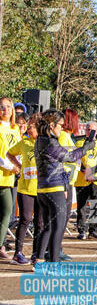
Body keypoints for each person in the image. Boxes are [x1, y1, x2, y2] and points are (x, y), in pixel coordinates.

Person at [34, 109, 95, 263]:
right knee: (58, 227)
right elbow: (70, 157)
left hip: (42, 189)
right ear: (51, 125)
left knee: (47, 227)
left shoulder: (40, 140)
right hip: (54, 188)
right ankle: (53, 264)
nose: (61, 128)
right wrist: (85, 149)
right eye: (60, 125)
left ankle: (39, 260)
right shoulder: (50, 142)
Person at [6, 113, 41, 265]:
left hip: (42, 189)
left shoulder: (45, 143)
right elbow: (9, 153)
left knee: (40, 223)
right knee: (25, 219)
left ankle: (36, 253)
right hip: (25, 188)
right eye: (28, 126)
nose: (28, 129)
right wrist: (19, 167)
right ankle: (17, 253)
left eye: (31, 126)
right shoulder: (24, 143)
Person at [74, 122, 97, 240]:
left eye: (92, 130)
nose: (90, 131)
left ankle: (94, 230)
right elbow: (75, 159)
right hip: (81, 180)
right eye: (88, 129)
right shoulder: (79, 143)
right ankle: (82, 230)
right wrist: (84, 170)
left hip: (96, 180)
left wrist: (91, 172)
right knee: (81, 205)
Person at [58, 108, 81, 261]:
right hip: (63, 181)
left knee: (64, 217)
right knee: (61, 217)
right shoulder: (63, 136)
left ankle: (57, 247)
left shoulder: (67, 136)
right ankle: (54, 248)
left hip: (68, 180)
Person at [0, 97, 21, 260]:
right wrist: (11, 167)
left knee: (7, 212)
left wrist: (19, 166)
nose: (5, 110)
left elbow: (17, 152)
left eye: (8, 107)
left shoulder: (15, 129)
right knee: (6, 211)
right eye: (1, 107)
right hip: (4, 172)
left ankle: (1, 245)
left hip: (9, 178)